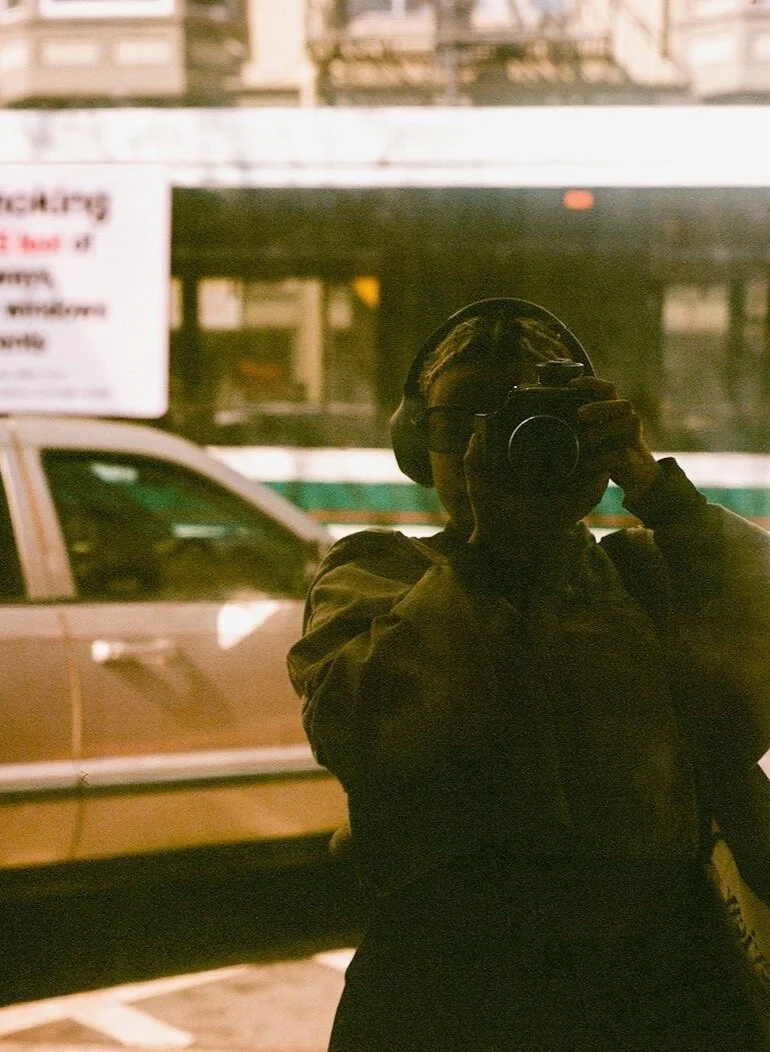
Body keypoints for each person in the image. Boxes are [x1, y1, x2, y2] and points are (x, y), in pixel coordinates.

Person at [287, 298, 770, 1051]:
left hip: (655, 975)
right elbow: (367, 732)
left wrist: (656, 490)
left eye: (531, 417)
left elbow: (753, 657)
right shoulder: (376, 573)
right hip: (454, 981)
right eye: (462, 420)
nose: (495, 441)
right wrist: (496, 551)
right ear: (418, 443)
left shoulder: (645, 572)